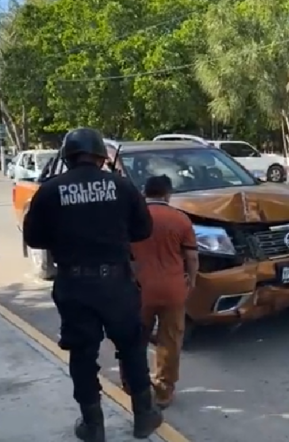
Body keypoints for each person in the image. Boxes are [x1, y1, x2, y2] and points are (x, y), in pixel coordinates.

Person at [22, 128, 162, 442]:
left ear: (67, 158)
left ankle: (93, 426)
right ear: (101, 157)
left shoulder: (50, 190)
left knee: (82, 354)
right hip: (116, 282)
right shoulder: (122, 187)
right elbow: (143, 230)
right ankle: (144, 415)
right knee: (131, 347)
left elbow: (33, 237)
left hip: (74, 283)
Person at [120, 174, 198, 409]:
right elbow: (192, 257)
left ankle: (132, 384)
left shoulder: (132, 217)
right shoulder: (180, 219)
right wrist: (191, 281)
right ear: (168, 194)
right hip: (173, 289)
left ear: (145, 192)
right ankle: (164, 391)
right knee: (170, 341)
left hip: (138, 290)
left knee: (134, 340)